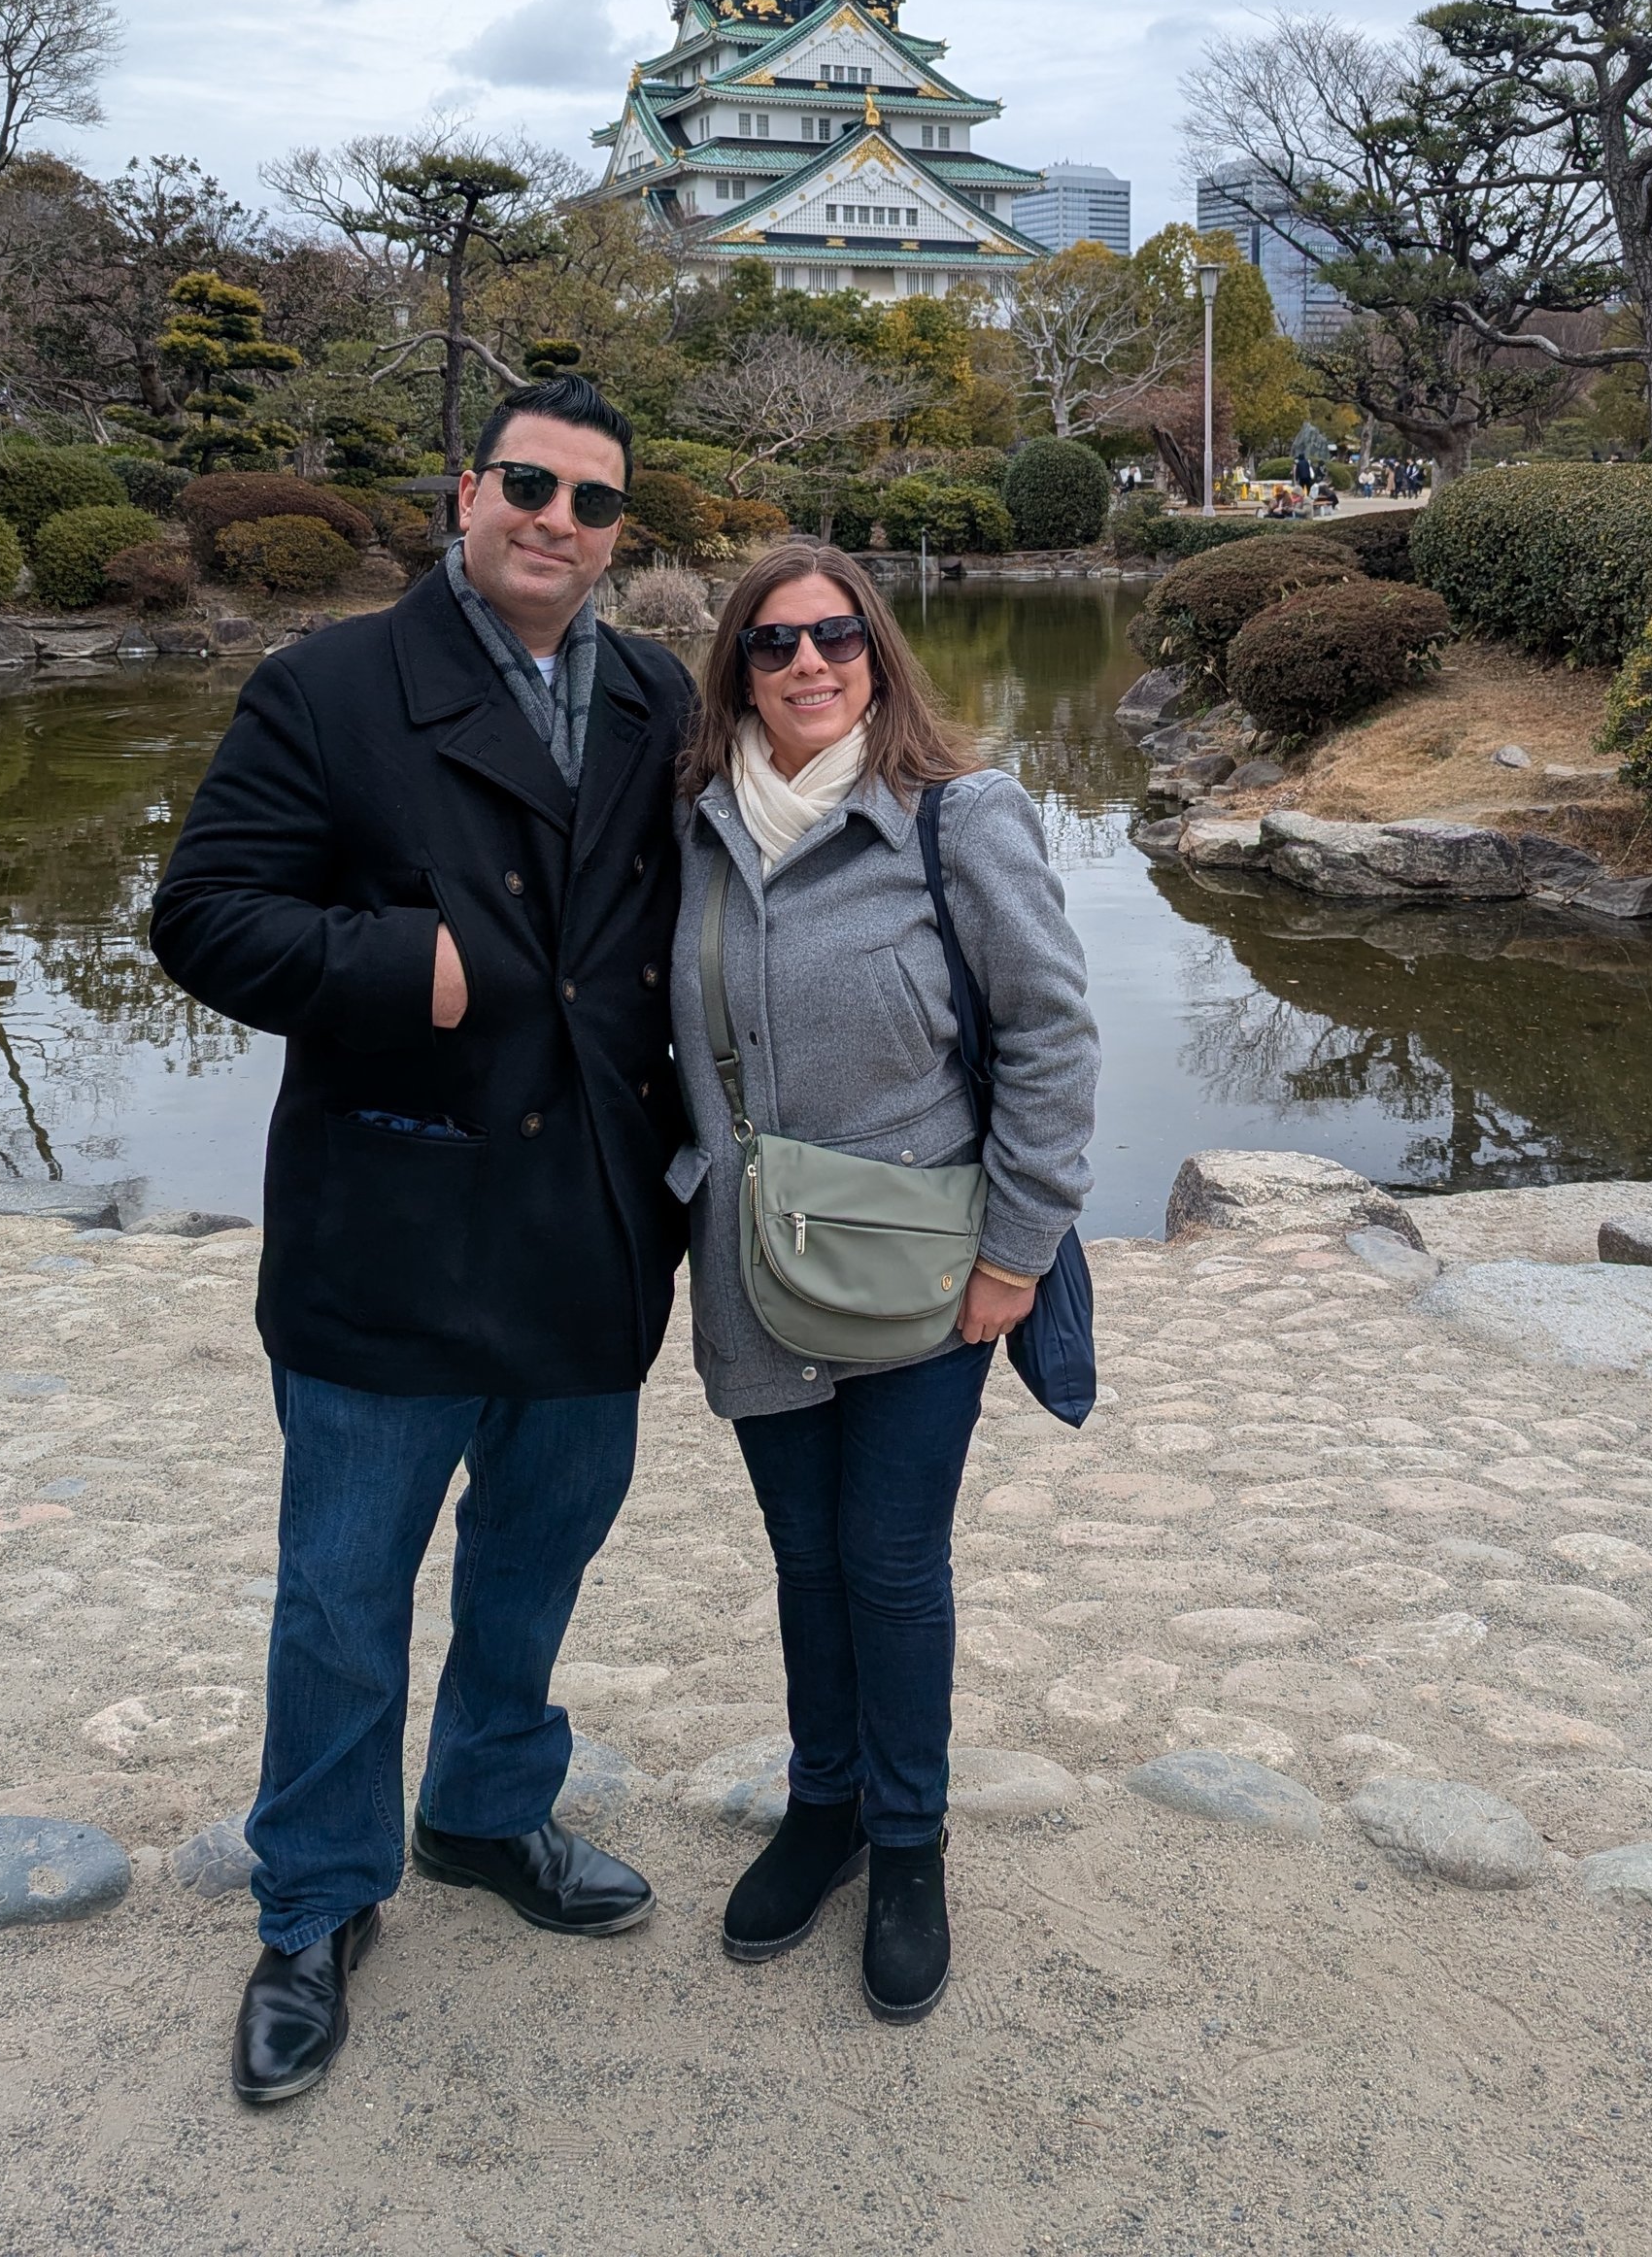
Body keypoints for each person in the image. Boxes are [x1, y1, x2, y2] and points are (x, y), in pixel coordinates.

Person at [150, 373, 693, 2109]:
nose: (557, 521)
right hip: (394, 1211)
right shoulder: (328, 685)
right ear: (467, 491)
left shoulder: (658, 692)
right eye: (530, 484)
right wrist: (404, 968)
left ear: (621, 535)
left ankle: (485, 1810)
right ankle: (311, 1901)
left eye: (594, 503)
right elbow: (206, 915)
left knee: (538, 1561)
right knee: (339, 1594)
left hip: (592, 1222)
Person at [668, 539, 1096, 2025]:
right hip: (754, 1262)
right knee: (804, 1558)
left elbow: (1049, 1036)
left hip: (923, 1271)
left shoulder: (955, 819)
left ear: (878, 651)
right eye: (774, 644)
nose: (807, 666)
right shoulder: (699, 826)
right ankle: (824, 1803)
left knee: (891, 1558)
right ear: (736, 666)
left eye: (835, 638)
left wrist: (1017, 1252)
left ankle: (909, 1843)